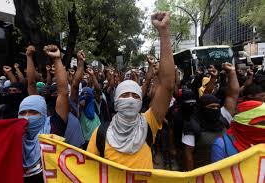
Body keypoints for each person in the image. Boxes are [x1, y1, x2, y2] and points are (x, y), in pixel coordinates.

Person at [86, 12, 176, 169]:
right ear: (116, 102)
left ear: (140, 102)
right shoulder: (100, 133)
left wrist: (164, 32)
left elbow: (167, 84)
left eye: (135, 96)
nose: (129, 99)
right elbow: (88, 172)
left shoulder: (149, 123)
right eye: (124, 95)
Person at [19, 45, 69, 183]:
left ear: (43, 114)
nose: (27, 117)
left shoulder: (53, 127)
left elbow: (63, 92)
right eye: (22, 113)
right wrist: (28, 57)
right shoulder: (15, 137)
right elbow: (30, 84)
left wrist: (57, 59)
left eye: (33, 112)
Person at [182, 63, 239, 170]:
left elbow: (233, 95)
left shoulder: (223, 117)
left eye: (217, 107)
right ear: (202, 108)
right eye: (211, 107)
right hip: (203, 172)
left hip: (225, 171)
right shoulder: (192, 125)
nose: (215, 110)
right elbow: (188, 154)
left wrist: (232, 72)